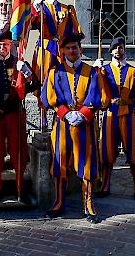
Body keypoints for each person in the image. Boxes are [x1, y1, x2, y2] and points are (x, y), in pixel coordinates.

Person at [41, 33, 102, 224]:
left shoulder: (92, 72)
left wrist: (83, 113)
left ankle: (88, 204)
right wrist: (65, 113)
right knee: (59, 164)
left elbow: (96, 96)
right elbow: (49, 97)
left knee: (87, 164)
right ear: (63, 51)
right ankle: (59, 202)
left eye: (74, 48)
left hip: (84, 124)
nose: (71, 51)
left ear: (80, 50)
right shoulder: (54, 72)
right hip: (62, 125)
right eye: (68, 48)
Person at [94, 37, 135, 201]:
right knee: (106, 152)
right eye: (115, 48)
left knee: (134, 153)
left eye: (120, 47)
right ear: (111, 51)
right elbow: (95, 93)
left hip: (129, 116)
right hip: (110, 116)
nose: (117, 50)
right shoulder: (103, 71)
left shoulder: (134, 72)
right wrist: (95, 73)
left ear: (124, 50)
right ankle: (105, 184)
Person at [0, 30, 34, 205]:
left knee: (18, 151)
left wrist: (26, 73)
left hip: (14, 113)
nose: (3, 47)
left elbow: (35, 84)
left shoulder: (18, 63)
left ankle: (20, 188)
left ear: (11, 45)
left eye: (6, 44)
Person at [30, 0, 83, 129]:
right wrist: (35, 6)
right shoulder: (41, 8)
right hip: (45, 49)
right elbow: (31, 24)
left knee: (63, 82)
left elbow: (74, 32)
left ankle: (60, 114)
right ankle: (42, 116)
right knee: (43, 81)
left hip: (62, 50)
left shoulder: (67, 9)